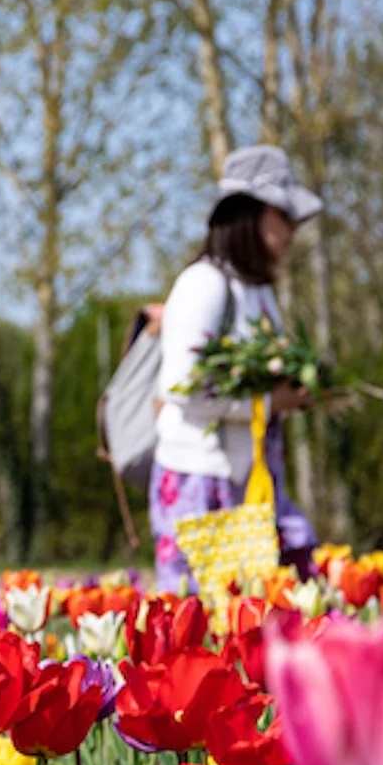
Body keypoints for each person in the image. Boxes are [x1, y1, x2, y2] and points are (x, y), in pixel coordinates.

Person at [150, 145, 322, 592]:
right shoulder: (204, 284)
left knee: (281, 606)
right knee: (206, 623)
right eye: (285, 217)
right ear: (250, 214)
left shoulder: (257, 292)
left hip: (256, 479)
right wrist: (267, 402)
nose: (292, 232)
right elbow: (180, 387)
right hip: (203, 483)